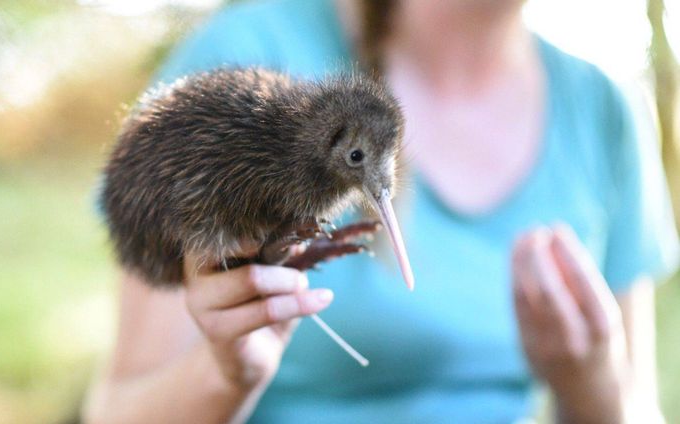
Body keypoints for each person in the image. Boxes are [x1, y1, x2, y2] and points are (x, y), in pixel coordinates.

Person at [83, 0, 680, 422]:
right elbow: (116, 413)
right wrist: (225, 374)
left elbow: (636, 409)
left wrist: (593, 385)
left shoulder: (603, 111)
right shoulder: (246, 60)